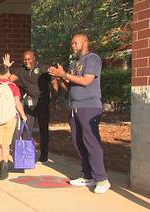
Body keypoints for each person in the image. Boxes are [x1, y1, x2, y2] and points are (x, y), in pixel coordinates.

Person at [48, 34, 110, 194]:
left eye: (76, 43)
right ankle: (88, 175)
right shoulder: (74, 63)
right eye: (72, 43)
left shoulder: (92, 59)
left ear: (85, 43)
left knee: (91, 141)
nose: (73, 45)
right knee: (78, 142)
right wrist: (59, 79)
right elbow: (71, 88)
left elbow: (86, 81)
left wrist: (65, 75)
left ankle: (102, 179)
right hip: (75, 107)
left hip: (89, 106)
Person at [6, 52, 58, 162]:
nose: (27, 61)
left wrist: (53, 99)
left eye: (29, 59)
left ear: (34, 58)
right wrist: (6, 67)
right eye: (25, 59)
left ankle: (44, 155)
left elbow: (54, 81)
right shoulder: (21, 70)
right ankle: (25, 156)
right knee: (26, 128)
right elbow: (9, 80)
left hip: (43, 103)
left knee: (44, 130)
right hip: (29, 103)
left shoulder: (43, 68)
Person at [0, 64, 27, 180]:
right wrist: (23, 115)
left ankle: (1, 163)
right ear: (8, 72)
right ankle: (5, 164)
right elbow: (17, 103)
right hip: (11, 118)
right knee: (6, 145)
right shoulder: (13, 86)